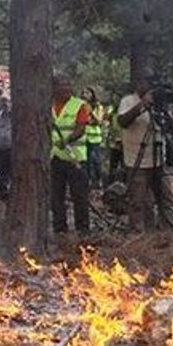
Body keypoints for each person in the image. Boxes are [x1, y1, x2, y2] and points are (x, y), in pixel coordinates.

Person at [118, 76, 170, 231]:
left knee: (165, 199)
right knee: (138, 201)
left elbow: (170, 127)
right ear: (138, 84)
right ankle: (139, 234)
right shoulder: (127, 101)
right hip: (136, 159)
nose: (148, 87)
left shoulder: (159, 104)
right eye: (145, 83)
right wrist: (142, 105)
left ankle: (170, 232)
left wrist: (163, 110)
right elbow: (122, 121)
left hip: (158, 158)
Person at [51, 76, 93, 236]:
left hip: (75, 158)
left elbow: (81, 128)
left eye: (68, 85)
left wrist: (67, 140)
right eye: (61, 85)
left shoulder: (79, 105)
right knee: (56, 197)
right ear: (54, 88)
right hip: (54, 157)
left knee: (79, 196)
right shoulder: (48, 105)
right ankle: (60, 229)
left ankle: (83, 229)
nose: (65, 88)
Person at [83, 87, 107, 188]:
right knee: (88, 161)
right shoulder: (82, 106)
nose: (85, 95)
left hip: (95, 138)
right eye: (84, 93)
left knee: (96, 160)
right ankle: (89, 180)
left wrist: (91, 112)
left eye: (87, 93)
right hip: (85, 137)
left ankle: (99, 180)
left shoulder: (98, 106)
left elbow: (99, 121)